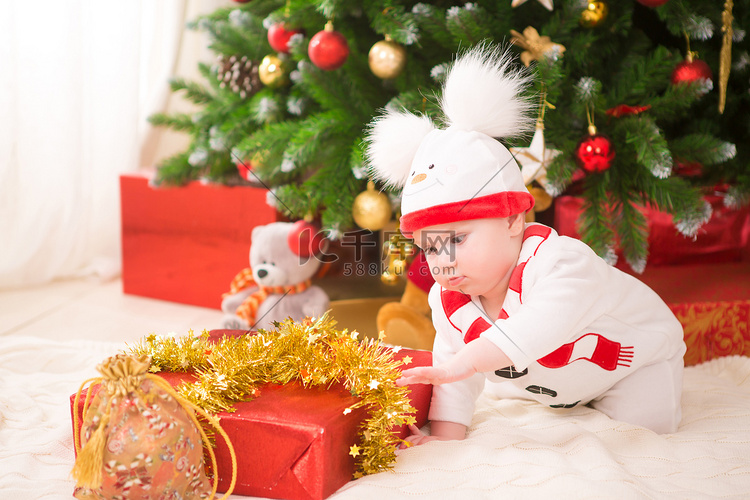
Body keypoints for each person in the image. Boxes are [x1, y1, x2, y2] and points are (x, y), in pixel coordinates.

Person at [364, 44, 686, 445]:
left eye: (458, 239)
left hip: (634, 362)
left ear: (514, 219)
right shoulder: (450, 300)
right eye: (429, 247)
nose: (442, 260)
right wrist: (444, 436)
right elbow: (452, 371)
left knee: (646, 436)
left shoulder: (564, 265)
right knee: (491, 378)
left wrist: (464, 363)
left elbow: (536, 329)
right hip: (554, 384)